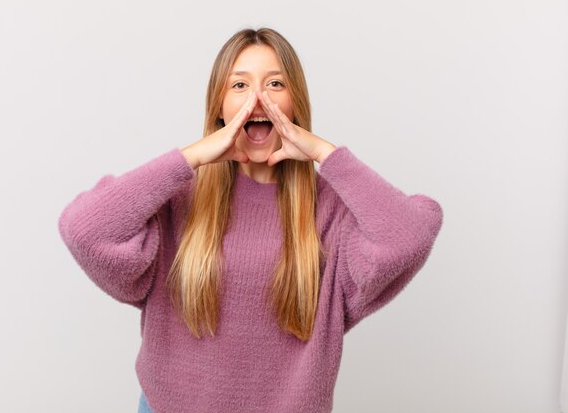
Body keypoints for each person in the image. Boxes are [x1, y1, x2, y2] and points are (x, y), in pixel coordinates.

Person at [58, 27, 444, 413]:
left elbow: (410, 234)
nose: (258, 99)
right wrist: (191, 156)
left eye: (275, 83)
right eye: (239, 85)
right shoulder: (177, 199)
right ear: (219, 106)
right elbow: (84, 229)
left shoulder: (332, 212)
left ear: (295, 102)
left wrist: (325, 153)